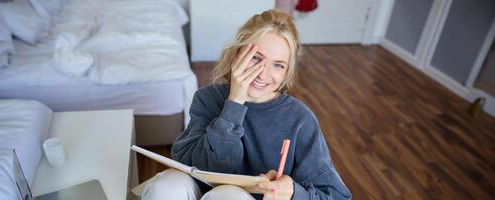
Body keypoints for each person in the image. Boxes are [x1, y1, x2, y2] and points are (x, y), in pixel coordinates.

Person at [142, 9, 352, 200]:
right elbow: (197, 165)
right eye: (256, 58)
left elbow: (337, 196)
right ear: (237, 54)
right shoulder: (207, 99)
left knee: (228, 196)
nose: (263, 73)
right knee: (167, 184)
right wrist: (234, 104)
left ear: (287, 72)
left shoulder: (300, 119)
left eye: (278, 65)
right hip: (201, 193)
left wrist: (294, 193)